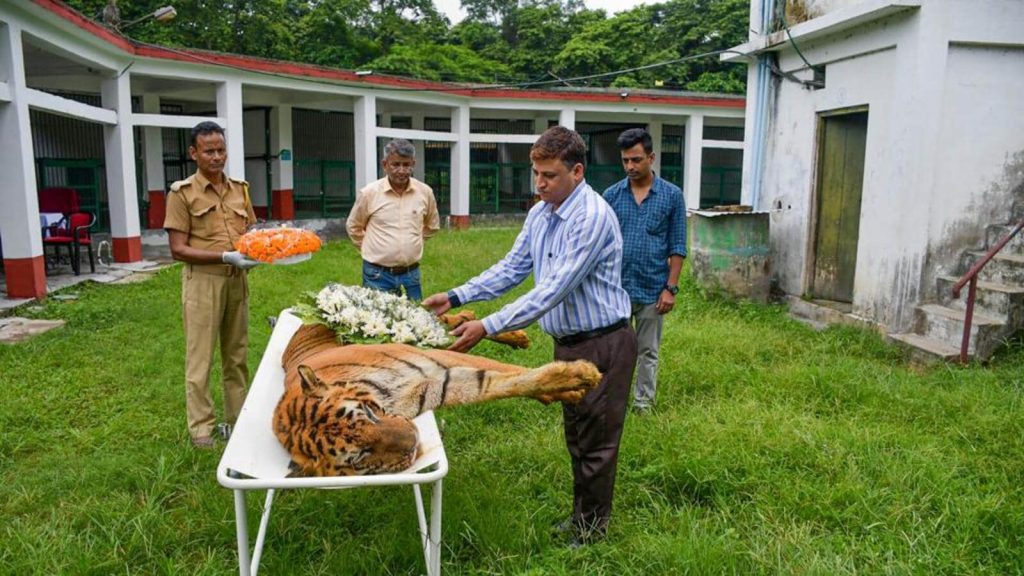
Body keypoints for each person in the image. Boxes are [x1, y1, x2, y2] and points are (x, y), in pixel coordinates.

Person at [423, 126, 637, 547]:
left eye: (550, 175)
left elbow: (552, 289)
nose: (539, 183)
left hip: (604, 342)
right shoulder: (542, 213)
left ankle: (592, 531)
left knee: (597, 440)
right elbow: (512, 268)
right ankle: (581, 517)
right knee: (577, 435)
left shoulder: (591, 217)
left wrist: (488, 325)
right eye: (536, 173)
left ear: (577, 171)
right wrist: (456, 295)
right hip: (569, 343)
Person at [163, 121, 259, 449]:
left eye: (221, 150)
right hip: (203, 281)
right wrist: (224, 256)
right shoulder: (182, 194)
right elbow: (178, 249)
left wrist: (258, 250)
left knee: (237, 355)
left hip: (237, 281)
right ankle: (202, 429)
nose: (217, 157)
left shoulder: (240, 189)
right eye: (209, 151)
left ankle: (238, 420)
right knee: (200, 357)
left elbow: (251, 232)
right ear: (194, 153)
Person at [602, 127, 686, 415]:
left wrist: (670, 288)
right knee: (615, 352)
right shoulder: (611, 196)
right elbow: (599, 244)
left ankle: (643, 404)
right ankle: (614, 402)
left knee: (647, 351)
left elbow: (677, 244)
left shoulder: (672, 196)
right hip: (616, 290)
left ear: (651, 157)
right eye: (625, 160)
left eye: (636, 160)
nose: (630, 166)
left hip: (653, 289)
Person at [346, 138, 440, 301]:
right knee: (376, 324)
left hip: (411, 274)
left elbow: (432, 225)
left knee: (414, 323)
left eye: (406, 165)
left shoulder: (425, 192)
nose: (402, 170)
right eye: (396, 164)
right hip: (376, 275)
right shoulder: (369, 193)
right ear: (385, 165)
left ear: (413, 164)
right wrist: (369, 247)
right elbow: (354, 226)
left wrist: (414, 241)